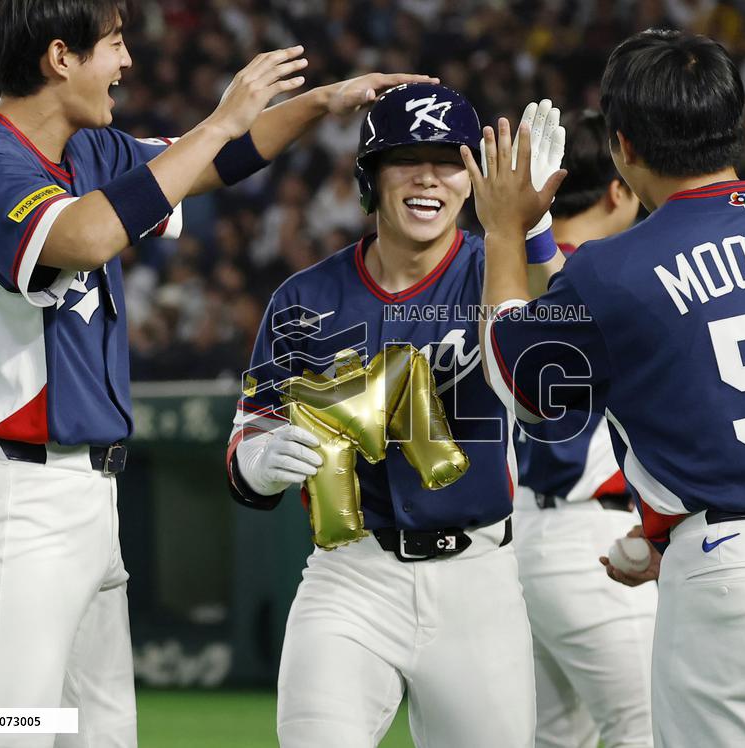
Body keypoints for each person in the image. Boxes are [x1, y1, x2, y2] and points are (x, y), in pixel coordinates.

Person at [0, 1, 433, 745]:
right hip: (11, 500)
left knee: (100, 739)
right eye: (116, 44)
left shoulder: (87, 153)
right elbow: (88, 235)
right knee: (5, 734)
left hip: (84, 498)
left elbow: (216, 160)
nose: (128, 62)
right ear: (60, 57)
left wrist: (323, 102)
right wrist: (220, 120)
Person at [462, 29, 745, 747]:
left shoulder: (613, 268)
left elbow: (524, 387)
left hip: (732, 564)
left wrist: (504, 233)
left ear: (624, 147)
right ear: (736, 122)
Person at [225, 83, 565, 747]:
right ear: (370, 177)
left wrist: (531, 229)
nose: (428, 178)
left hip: (479, 579)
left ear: (475, 179)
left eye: (448, 161)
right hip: (349, 575)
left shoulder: (494, 269)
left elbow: (556, 326)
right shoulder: (306, 295)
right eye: (406, 158)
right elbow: (247, 438)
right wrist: (258, 458)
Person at [510, 110, 656, 748]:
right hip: (588, 536)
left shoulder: (504, 271)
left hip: (531, 531)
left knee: (554, 736)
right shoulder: (589, 275)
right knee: (647, 730)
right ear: (618, 187)